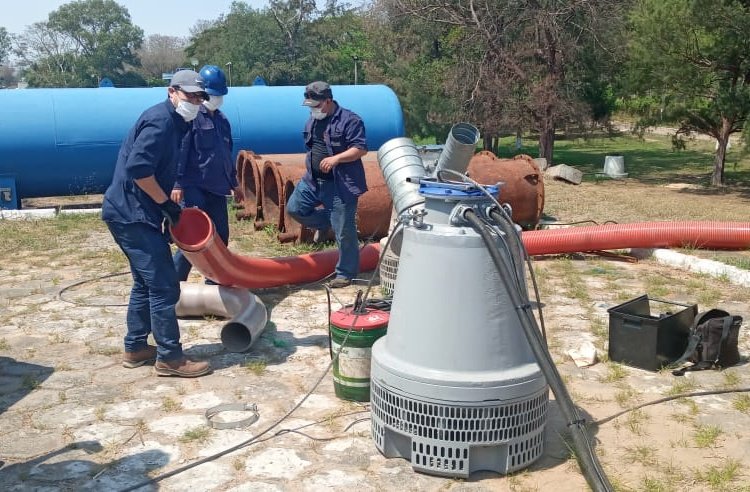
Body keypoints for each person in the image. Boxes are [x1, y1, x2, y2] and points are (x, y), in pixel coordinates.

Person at [101, 69, 212, 378]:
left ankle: (136, 347)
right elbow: (139, 169)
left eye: (199, 97)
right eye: (189, 95)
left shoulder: (178, 123)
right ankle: (170, 357)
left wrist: (163, 208)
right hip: (131, 214)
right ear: (171, 91)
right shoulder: (161, 121)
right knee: (164, 285)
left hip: (137, 212)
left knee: (144, 282)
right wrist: (165, 204)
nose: (195, 101)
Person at [286, 81, 368, 288]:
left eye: (316, 105)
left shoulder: (350, 120)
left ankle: (345, 273)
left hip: (340, 184)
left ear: (328, 101)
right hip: (313, 181)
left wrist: (336, 159)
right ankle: (324, 223)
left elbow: (360, 149)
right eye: (310, 106)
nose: (312, 110)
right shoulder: (313, 121)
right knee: (294, 208)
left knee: (344, 231)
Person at [171, 65, 243, 282]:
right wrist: (177, 184)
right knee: (194, 238)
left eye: (220, 95)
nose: (217, 99)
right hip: (194, 187)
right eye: (213, 95)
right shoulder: (191, 116)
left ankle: (213, 282)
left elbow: (225, 155)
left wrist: (235, 183)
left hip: (217, 187)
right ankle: (173, 285)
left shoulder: (222, 120)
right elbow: (179, 152)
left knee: (220, 237)